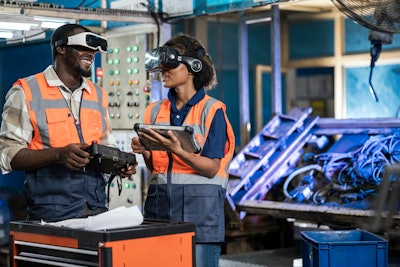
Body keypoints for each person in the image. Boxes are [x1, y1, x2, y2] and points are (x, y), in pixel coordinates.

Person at [0, 24, 136, 222]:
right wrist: (58, 154)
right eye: (84, 48)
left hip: (96, 209)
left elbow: (106, 147)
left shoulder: (98, 95)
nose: (91, 54)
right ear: (61, 48)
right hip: (50, 213)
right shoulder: (27, 91)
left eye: (94, 51)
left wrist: (120, 164)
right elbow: (7, 155)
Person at [131, 33, 235, 267]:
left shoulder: (212, 110)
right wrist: (145, 151)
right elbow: (156, 168)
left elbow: (211, 169)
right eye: (162, 67)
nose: (163, 72)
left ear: (192, 68)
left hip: (200, 218)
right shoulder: (154, 111)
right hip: (159, 214)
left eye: (170, 66)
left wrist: (177, 150)